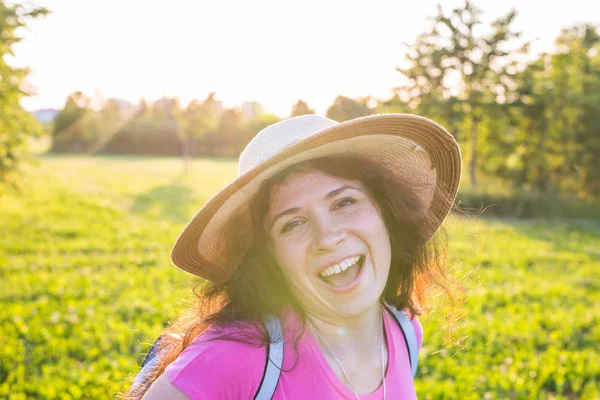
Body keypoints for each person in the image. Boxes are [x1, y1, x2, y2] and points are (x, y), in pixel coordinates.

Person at [128, 114, 462, 400]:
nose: (328, 237)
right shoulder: (232, 357)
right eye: (293, 223)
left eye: (344, 202)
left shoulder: (404, 330)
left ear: (385, 211)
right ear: (270, 256)